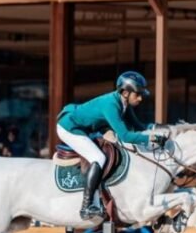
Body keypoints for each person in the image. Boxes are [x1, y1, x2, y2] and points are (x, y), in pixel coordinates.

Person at [56, 71, 165, 219]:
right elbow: (125, 136)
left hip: (83, 127)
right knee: (98, 157)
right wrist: (151, 140)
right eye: (137, 94)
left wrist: (159, 129)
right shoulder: (111, 105)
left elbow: (138, 126)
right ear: (125, 92)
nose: (140, 98)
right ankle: (86, 206)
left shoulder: (124, 103)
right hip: (69, 127)